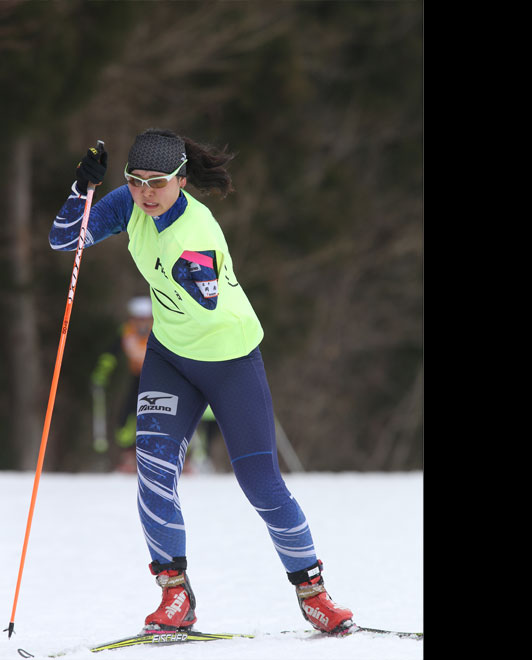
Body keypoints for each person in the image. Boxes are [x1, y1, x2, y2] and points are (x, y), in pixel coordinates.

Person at [48, 129, 354, 635]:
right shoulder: (128, 203)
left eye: (158, 183)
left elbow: (206, 301)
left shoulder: (197, 233)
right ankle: (175, 595)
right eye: (136, 180)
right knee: (153, 473)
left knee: (261, 484)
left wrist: (190, 272)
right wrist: (84, 192)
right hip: (170, 358)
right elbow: (65, 239)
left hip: (230, 360)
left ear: (182, 181)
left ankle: (313, 592)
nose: (146, 192)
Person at [91, 296, 154, 472]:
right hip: (136, 378)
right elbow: (110, 354)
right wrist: (101, 373)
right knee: (126, 418)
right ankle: (129, 455)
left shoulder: (159, 331)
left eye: (145, 319)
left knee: (156, 416)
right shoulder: (126, 332)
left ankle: (167, 457)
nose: (141, 323)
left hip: (156, 380)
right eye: (137, 319)